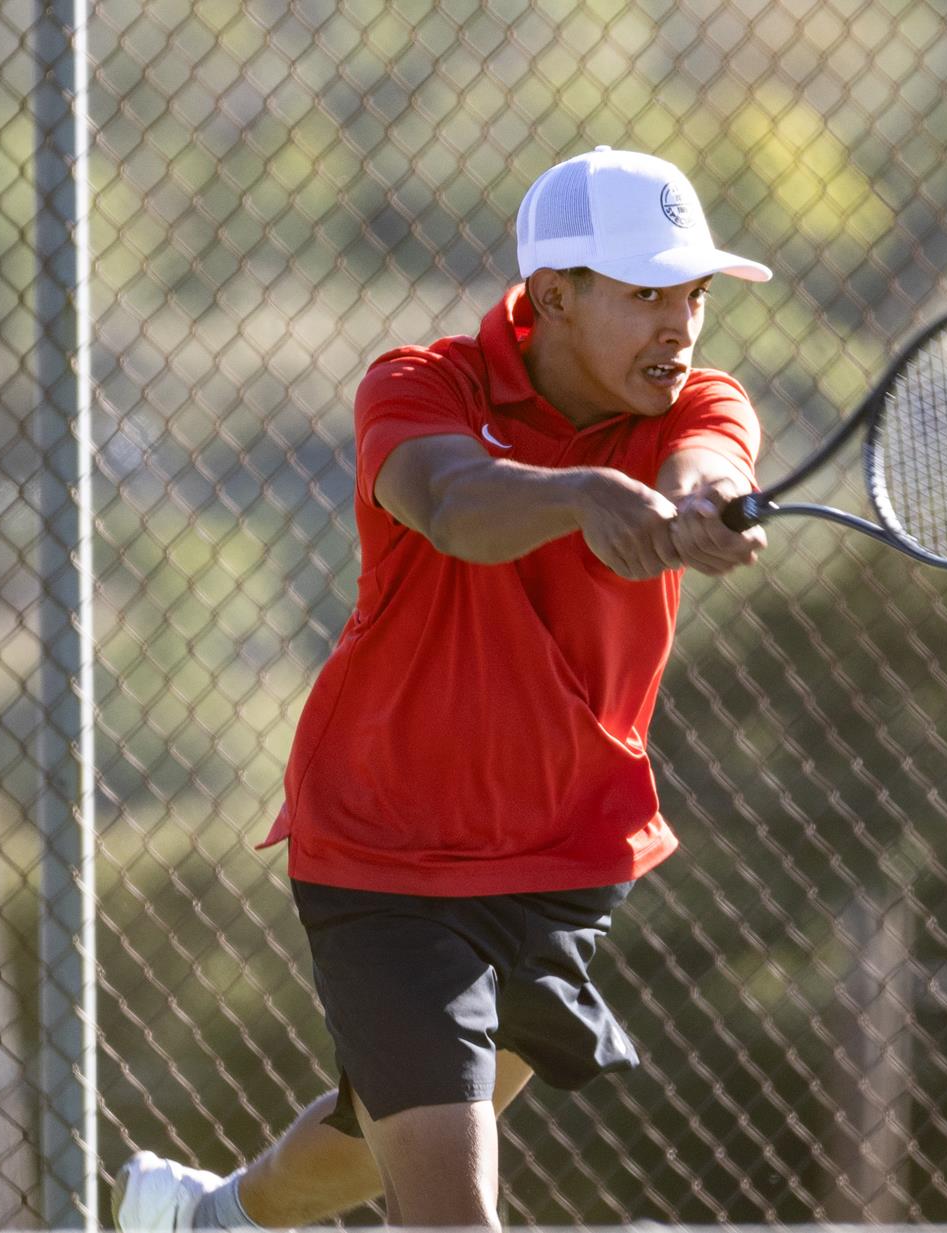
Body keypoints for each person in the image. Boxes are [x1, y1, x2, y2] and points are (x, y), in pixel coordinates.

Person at [112, 146, 772, 1232]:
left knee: (386, 1127)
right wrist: (582, 495)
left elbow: (711, 461)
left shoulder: (699, 402)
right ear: (552, 298)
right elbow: (452, 502)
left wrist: (701, 501)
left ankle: (207, 1221)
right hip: (386, 850)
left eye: (695, 293)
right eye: (649, 292)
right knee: (450, 1204)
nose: (681, 324)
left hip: (565, 850)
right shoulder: (420, 385)